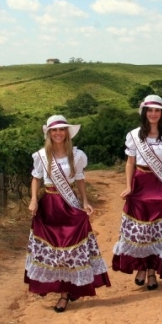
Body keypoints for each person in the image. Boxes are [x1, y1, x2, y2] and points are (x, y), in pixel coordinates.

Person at [25, 115, 110, 312]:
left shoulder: (77, 155)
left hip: (69, 206)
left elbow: (79, 179)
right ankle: (62, 289)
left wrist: (85, 201)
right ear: (49, 133)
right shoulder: (41, 156)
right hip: (49, 206)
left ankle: (66, 293)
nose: (58, 133)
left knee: (69, 249)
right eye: (54, 130)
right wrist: (33, 200)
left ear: (67, 133)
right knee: (53, 250)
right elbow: (36, 178)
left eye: (61, 130)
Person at [112, 95, 162, 290]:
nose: (153, 114)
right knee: (139, 231)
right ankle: (141, 266)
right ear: (144, 113)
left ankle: (152, 271)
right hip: (140, 184)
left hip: (161, 185)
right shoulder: (134, 135)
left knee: (158, 232)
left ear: (161, 113)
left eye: (157, 110)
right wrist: (128, 186)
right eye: (149, 110)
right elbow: (130, 163)